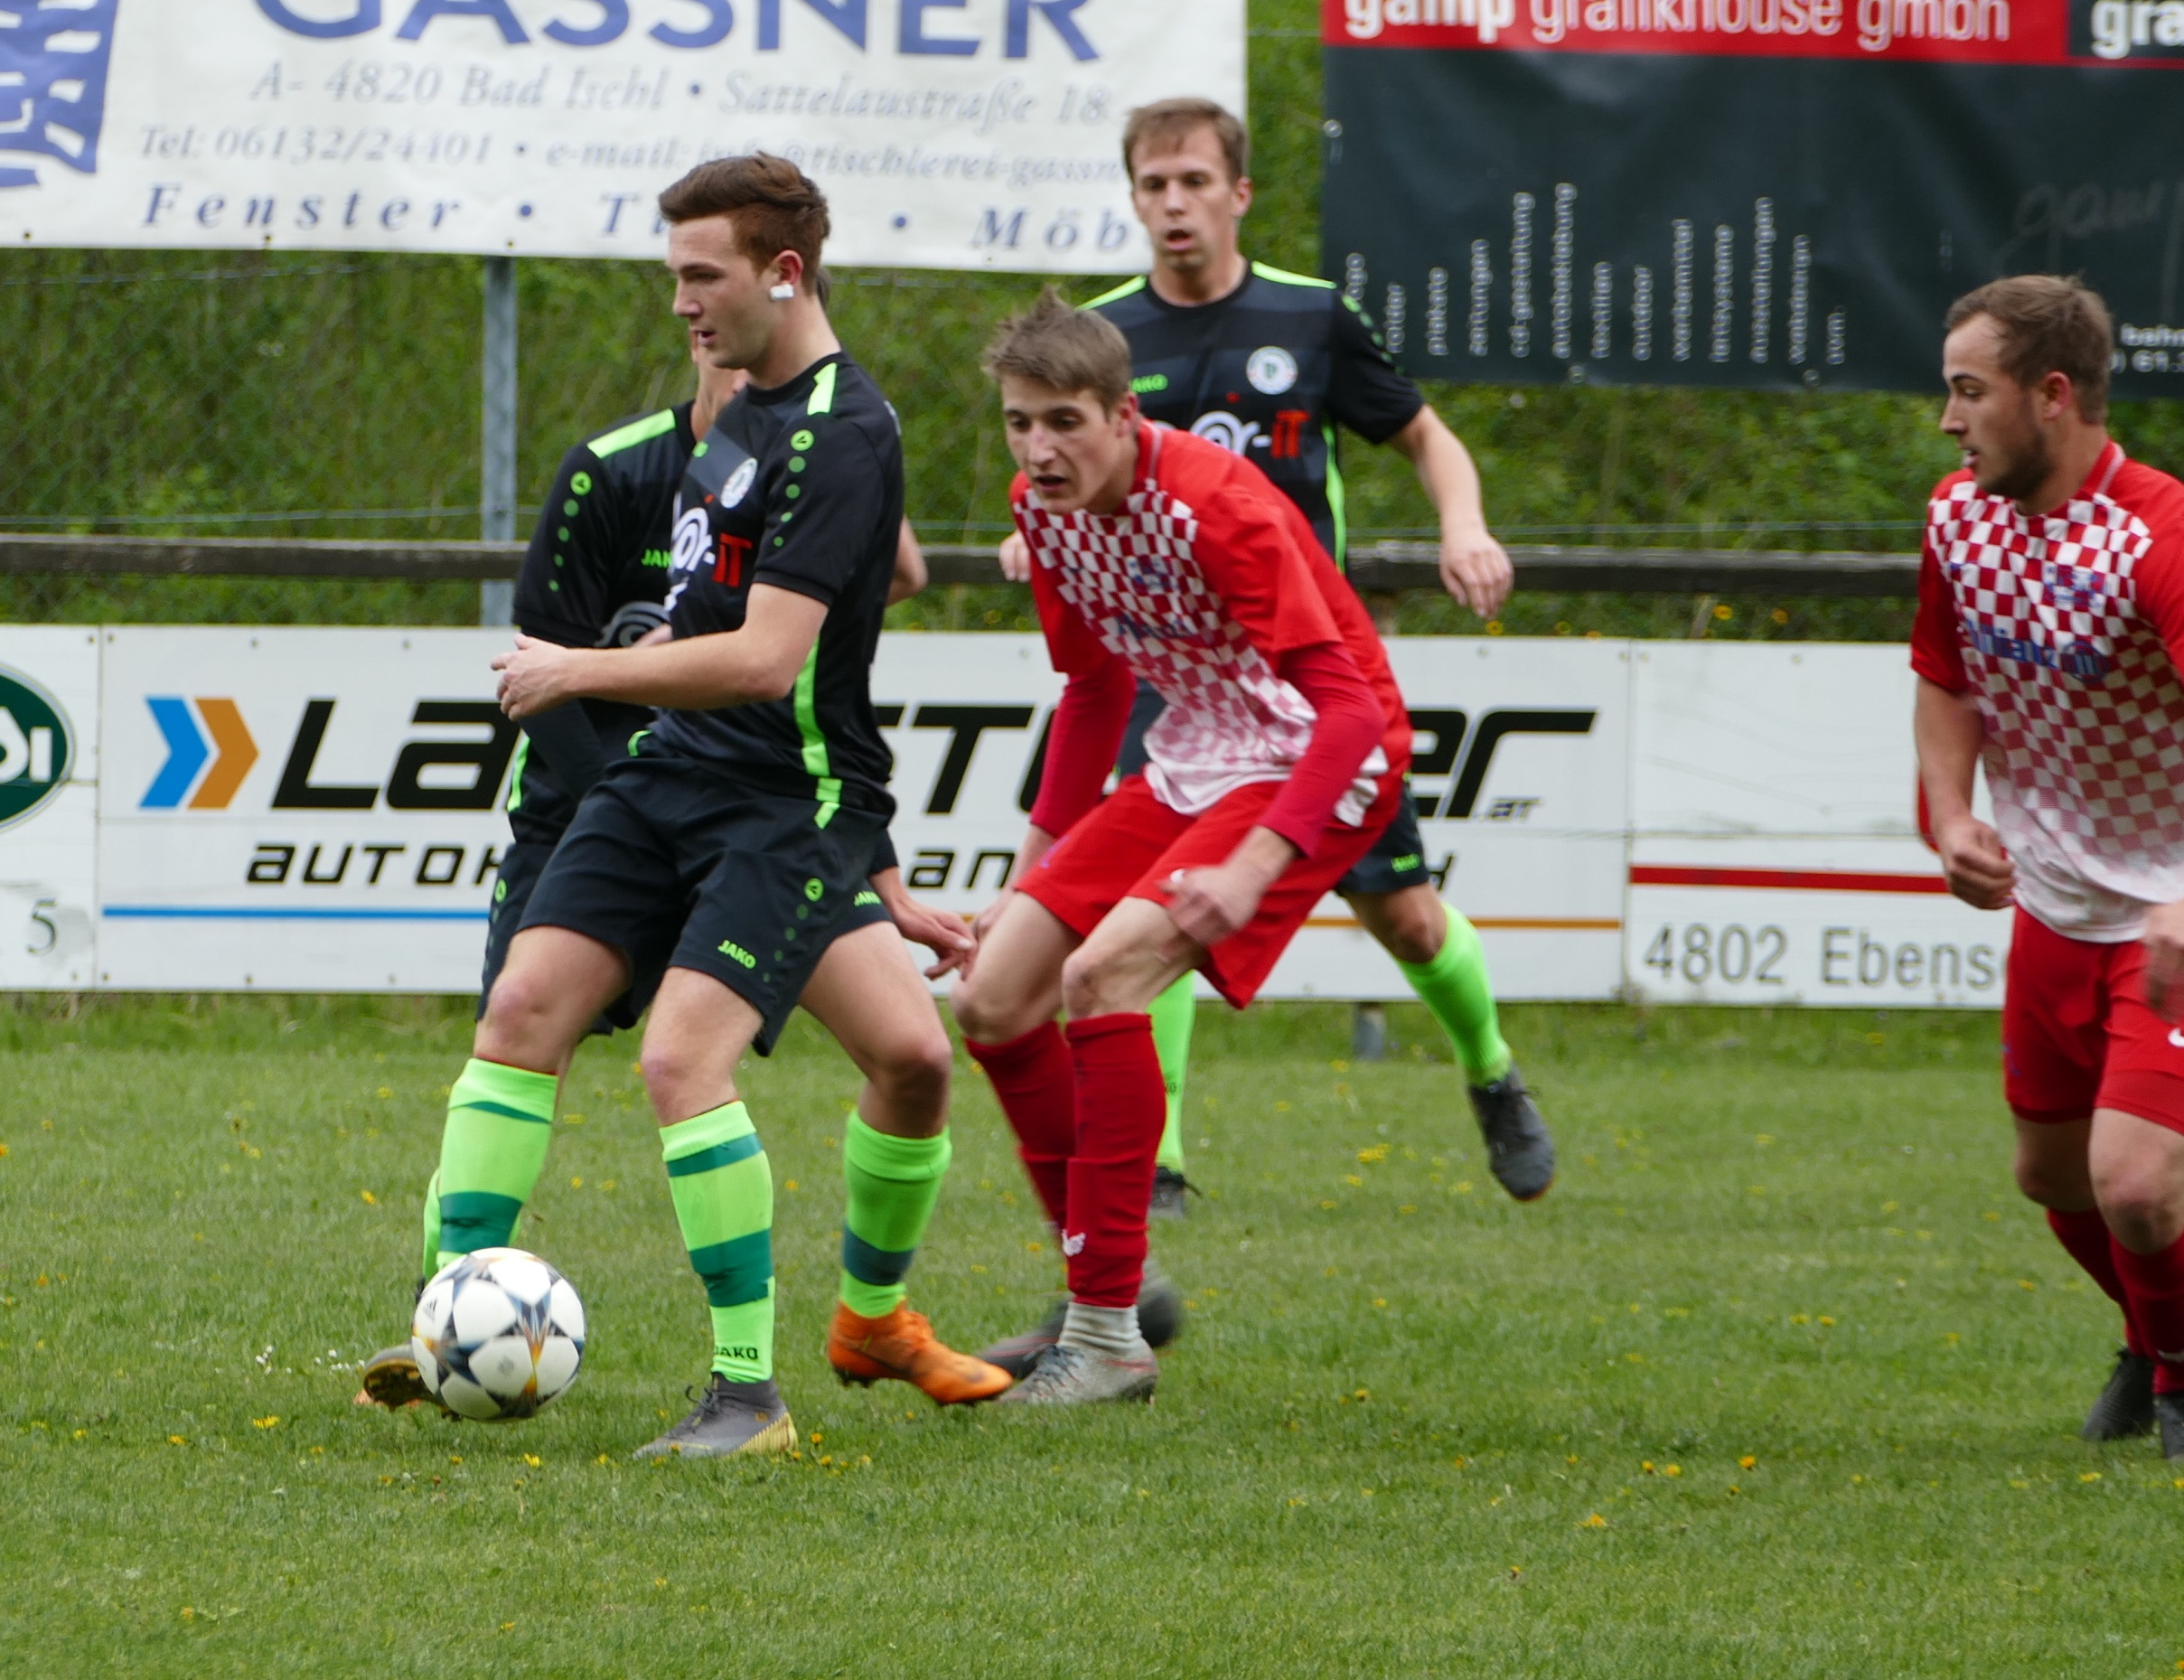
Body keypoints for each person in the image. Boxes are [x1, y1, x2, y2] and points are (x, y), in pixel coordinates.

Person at [382, 155, 1009, 1458]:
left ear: (784, 273)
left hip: (780, 800)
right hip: (669, 771)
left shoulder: (841, 431)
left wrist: (578, 670)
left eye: (700, 275)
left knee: (683, 1060)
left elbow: (773, 663)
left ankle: (747, 1395)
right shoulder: (741, 419)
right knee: (524, 1010)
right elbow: (713, 620)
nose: (678, 302)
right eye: (672, 276)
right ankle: (447, 1321)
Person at [1000, 97, 1551, 1212]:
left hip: (1309, 680)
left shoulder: (1308, 317)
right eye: (1153, 185)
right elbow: (1069, 478)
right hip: (1175, 679)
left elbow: (1424, 436)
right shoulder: (1099, 341)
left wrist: (1462, 524)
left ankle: (1489, 1068)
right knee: (1143, 912)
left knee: (1405, 918)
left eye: (1194, 182)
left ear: (1238, 193)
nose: (1174, 204)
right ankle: (1156, 1158)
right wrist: (1047, 526)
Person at [946, 287, 1415, 1404]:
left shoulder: (1216, 504)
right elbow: (1092, 688)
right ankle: (1112, 1284)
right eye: (1019, 423)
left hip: (1314, 754)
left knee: (1101, 978)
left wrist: (1254, 867)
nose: (1039, 450)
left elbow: (1349, 711)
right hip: (1199, 749)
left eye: (1064, 422)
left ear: (1123, 415)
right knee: (993, 998)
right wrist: (1028, 869)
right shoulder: (1041, 510)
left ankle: (1104, 1336)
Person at [1912, 274, 2184, 1461]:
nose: (1948, 419)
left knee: (2134, 1184)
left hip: (2167, 912)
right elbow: (1942, 679)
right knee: (2053, 1178)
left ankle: (2175, 1375)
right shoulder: (1956, 517)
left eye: (1968, 391)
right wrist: (1949, 814)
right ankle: (2152, 1333)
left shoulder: (2157, 538)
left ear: (2052, 395)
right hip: (2054, 909)